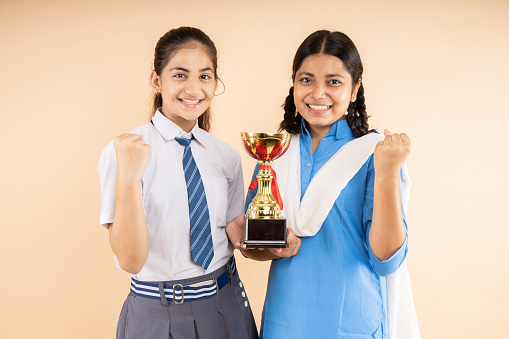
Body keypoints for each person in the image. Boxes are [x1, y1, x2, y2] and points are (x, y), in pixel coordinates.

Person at [231, 30, 420, 338]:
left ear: (355, 88)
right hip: (285, 320)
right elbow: (256, 248)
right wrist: (264, 247)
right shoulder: (276, 151)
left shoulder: (373, 153)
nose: (318, 93)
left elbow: (387, 260)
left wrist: (386, 174)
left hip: (352, 323)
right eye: (306, 80)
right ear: (293, 84)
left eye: (333, 82)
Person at [97, 26, 258, 339]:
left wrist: (261, 237)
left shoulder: (225, 156)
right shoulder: (126, 150)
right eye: (180, 75)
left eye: (205, 76)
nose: (194, 88)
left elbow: (234, 230)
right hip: (156, 314)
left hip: (227, 308)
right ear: (157, 81)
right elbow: (130, 260)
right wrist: (129, 179)